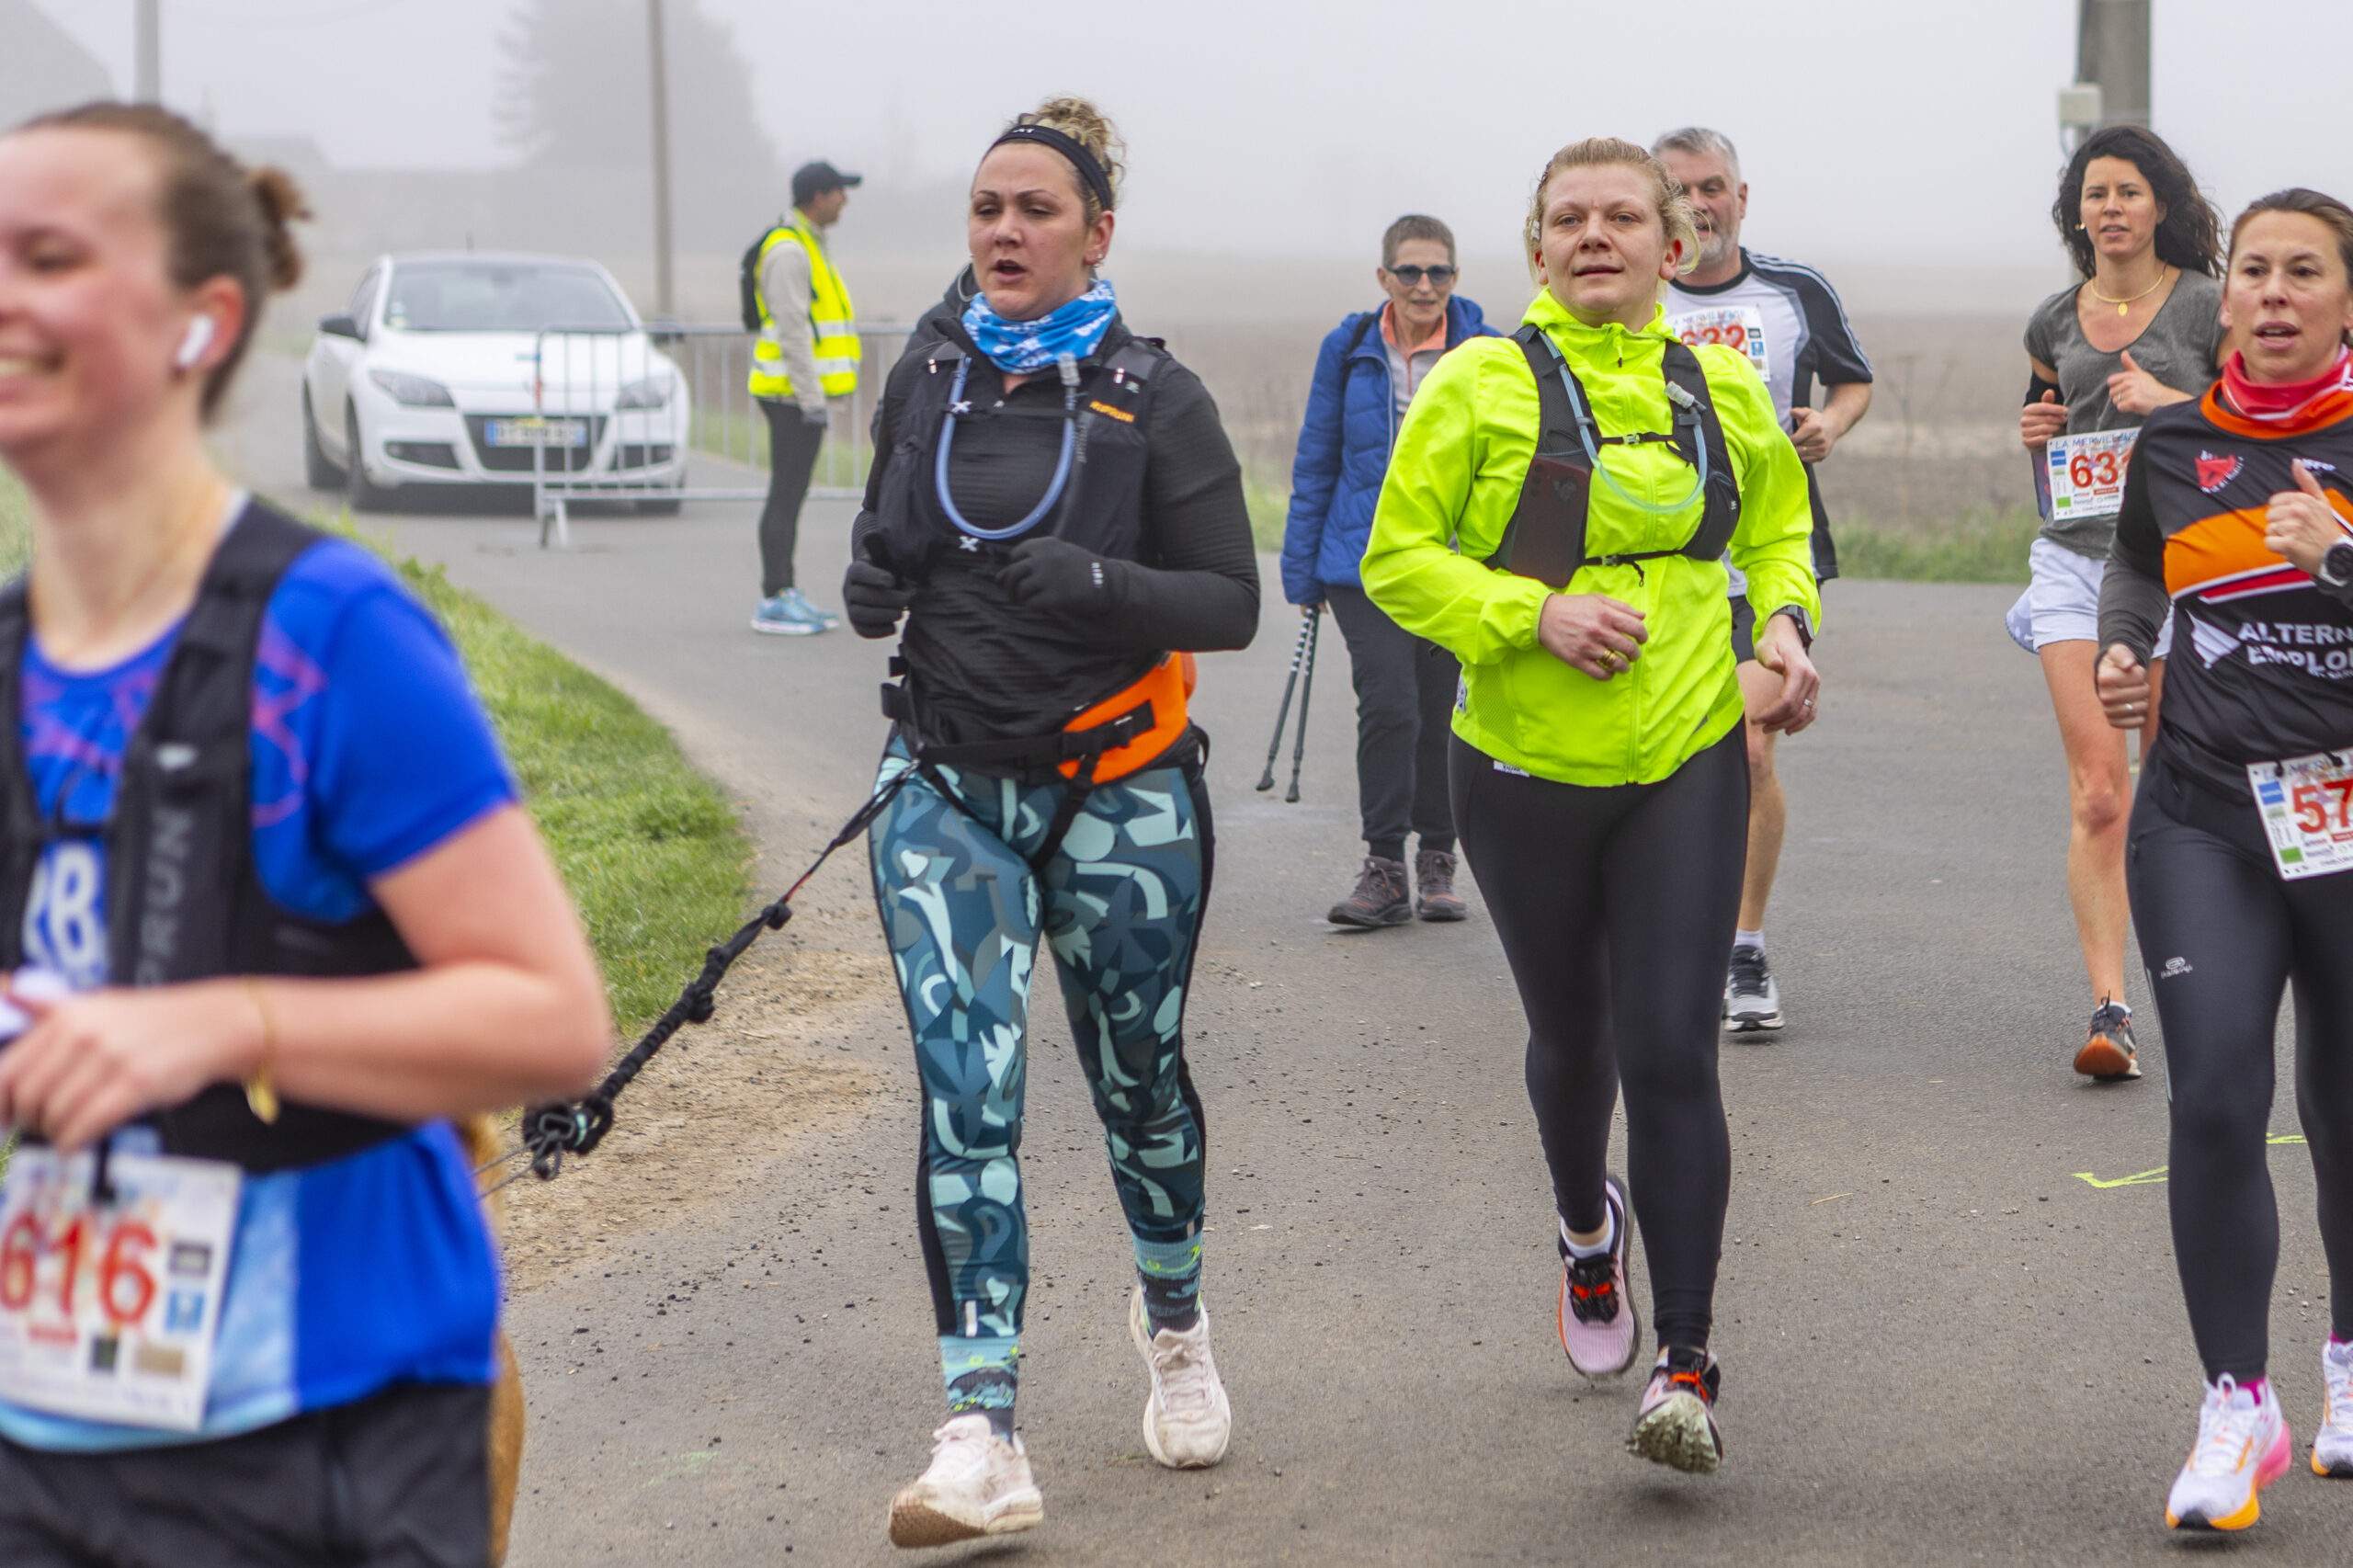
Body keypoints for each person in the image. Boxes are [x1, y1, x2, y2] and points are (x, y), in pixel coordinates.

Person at [0, 102, 610, 1565]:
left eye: (50, 257)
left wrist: (223, 1024)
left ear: (203, 322)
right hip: (47, 1431)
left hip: (329, 1434)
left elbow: (553, 1019)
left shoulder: (329, 636)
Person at [1364, 137, 1821, 1474]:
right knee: (1575, 1041)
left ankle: (1685, 1360)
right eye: (1569, 219)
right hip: (1520, 767)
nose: (1595, 235)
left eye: (1623, 216)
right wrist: (1534, 614)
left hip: (1686, 751)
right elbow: (1398, 560)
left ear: (1672, 248)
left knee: (1672, 1048)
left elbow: (1775, 526)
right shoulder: (1478, 382)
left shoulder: (1718, 386)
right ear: (1537, 248)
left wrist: (1784, 622)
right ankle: (1584, 1227)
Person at [838, 97, 1258, 1547]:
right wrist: (872, 584)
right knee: (968, 1092)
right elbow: (885, 540)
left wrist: (1098, 586)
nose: (1005, 231)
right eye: (986, 209)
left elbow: (1230, 601)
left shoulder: (1160, 394)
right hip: (945, 786)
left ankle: (1176, 1319)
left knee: (1139, 1081)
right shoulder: (928, 374)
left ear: (1097, 233)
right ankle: (980, 1428)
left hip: (1121, 791)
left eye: (1035, 210)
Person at [2097, 187, 2353, 1533]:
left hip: (2350, 821)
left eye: (2303, 271)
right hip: (2203, 810)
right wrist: (2123, 643)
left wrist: (2344, 558)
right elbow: (2135, 567)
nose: (2272, 293)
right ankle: (2235, 1403)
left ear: (2345, 300)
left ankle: (2349, 1362)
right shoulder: (2176, 440)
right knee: (2212, 1098)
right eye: (2253, 269)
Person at [2014, 125, 2224, 1081]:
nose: (2110, 208)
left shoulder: (2210, 307)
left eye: (2128, 191)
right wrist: (2034, 431)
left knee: (2176, 788)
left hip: (2184, 564)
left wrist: (2171, 404)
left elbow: (2253, 429)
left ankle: (2199, 981)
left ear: (2160, 204)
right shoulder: (2052, 321)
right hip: (2075, 563)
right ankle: (2111, 1009)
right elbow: (2053, 445)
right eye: (2094, 193)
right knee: (2100, 792)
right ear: (2077, 213)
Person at [1654, 127, 1872, 1034]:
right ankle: (1660, 931)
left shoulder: (1794, 290)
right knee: (1664, 752)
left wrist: (1829, 426)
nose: (1698, 204)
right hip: (1658, 557)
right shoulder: (1635, 291)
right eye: (1678, 190)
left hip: (1766, 555)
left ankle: (1742, 947)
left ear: (1741, 196)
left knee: (1747, 748)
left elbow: (1853, 383)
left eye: (1712, 186)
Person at [1280, 214, 1495, 927]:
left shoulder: (1487, 353)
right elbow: (1317, 458)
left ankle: (1437, 858)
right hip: (1360, 562)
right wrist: (1303, 573)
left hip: (1451, 563)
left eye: (1438, 272)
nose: (1424, 285)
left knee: (1440, 713)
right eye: (1409, 271)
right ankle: (1383, 867)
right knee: (1390, 705)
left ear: (1455, 277)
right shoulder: (1347, 349)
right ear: (1384, 277)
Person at [748, 158, 862, 635]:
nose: (845, 200)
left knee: (791, 496)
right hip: (790, 397)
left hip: (796, 396)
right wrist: (813, 401)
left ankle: (785, 592)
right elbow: (794, 332)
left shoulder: (806, 243)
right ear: (817, 197)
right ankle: (775, 597)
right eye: (839, 191)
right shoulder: (790, 251)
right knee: (785, 496)